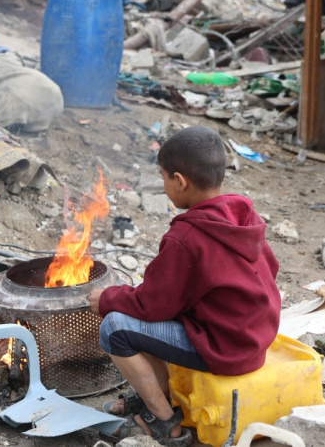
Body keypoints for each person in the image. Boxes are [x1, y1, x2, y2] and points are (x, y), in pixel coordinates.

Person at [88, 126, 281, 446]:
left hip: (226, 348)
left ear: (180, 181)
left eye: (164, 178)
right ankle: (164, 399)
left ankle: (163, 422)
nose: (164, 186)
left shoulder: (187, 236)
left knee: (115, 326)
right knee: (138, 315)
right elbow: (269, 269)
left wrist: (108, 297)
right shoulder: (241, 214)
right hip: (253, 337)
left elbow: (152, 305)